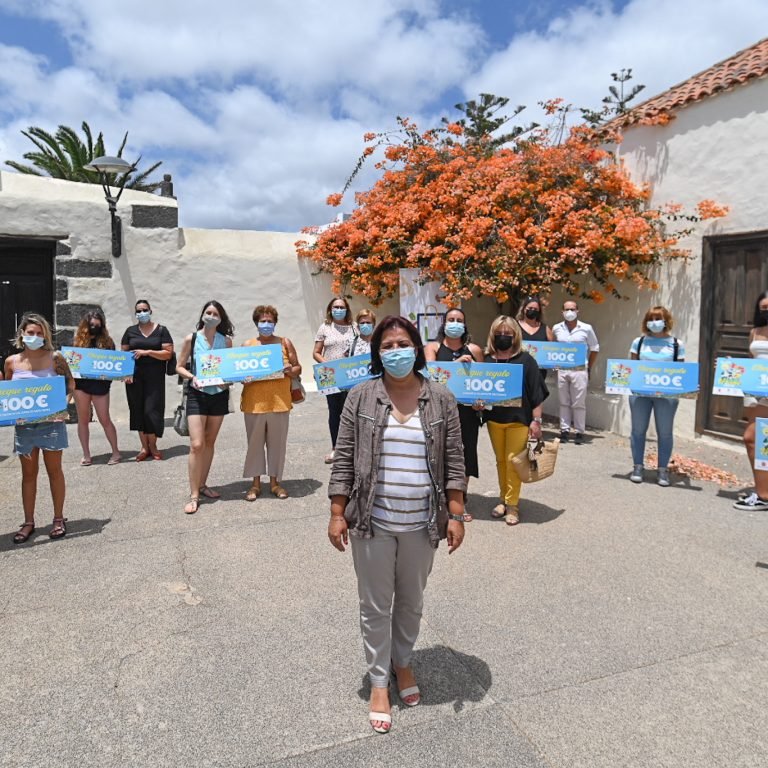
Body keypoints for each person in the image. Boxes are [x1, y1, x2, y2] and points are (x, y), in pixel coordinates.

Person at [328, 315, 466, 735]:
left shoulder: (440, 398)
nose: (395, 351)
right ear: (377, 352)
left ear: (416, 346)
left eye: (402, 343)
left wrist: (456, 514)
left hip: (423, 522)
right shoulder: (362, 396)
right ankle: (377, 682)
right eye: (387, 345)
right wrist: (337, 513)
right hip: (373, 521)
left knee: (410, 601)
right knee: (374, 605)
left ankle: (402, 663)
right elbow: (345, 455)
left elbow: (455, 460)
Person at [4, 313, 75, 543]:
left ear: (45, 335)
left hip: (51, 425)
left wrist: (65, 401)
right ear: (21, 334)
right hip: (24, 428)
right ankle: (28, 522)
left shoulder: (56, 358)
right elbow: (8, 392)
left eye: (38, 332)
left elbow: (70, 385)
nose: (34, 336)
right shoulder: (11, 362)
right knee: (28, 475)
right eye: (30, 333)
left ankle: (58, 518)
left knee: (55, 472)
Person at [484, 316, 547, 525]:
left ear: (515, 336)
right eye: (499, 333)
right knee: (501, 461)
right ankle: (502, 499)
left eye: (508, 334)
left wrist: (536, 421)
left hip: (519, 420)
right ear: (493, 335)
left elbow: (537, 394)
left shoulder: (526, 360)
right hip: (494, 420)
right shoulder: (487, 361)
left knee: (513, 462)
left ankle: (512, 505)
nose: (503, 337)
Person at [176, 301, 234, 514]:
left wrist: (228, 380)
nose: (211, 316)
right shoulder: (191, 339)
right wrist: (193, 377)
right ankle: (194, 495)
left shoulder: (226, 341)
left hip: (218, 395)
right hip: (197, 395)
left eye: (215, 313)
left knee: (210, 441)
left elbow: (229, 368)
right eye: (208, 312)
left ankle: (202, 484)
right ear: (202, 315)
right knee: (196, 444)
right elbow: (179, 366)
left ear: (221, 318)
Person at [425, 308, 483, 521]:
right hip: (439, 411)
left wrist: (481, 403)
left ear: (465, 325)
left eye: (459, 320)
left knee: (465, 456)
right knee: (439, 453)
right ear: (444, 323)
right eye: (451, 320)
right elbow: (430, 375)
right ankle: (441, 500)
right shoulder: (433, 347)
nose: (455, 323)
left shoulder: (475, 350)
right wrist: (455, 366)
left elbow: (482, 381)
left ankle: (460, 500)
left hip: (467, 413)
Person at [240, 305, 301, 502]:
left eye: (270, 321)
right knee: (254, 444)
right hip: (254, 402)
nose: (266, 324)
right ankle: (255, 484)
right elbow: (239, 372)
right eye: (262, 321)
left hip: (279, 401)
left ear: (275, 323)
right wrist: (244, 378)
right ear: (256, 323)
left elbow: (298, 368)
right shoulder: (247, 345)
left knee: (277, 444)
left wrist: (289, 369)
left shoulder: (284, 342)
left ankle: (275, 483)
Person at [628, 306, 685, 486]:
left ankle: (662, 470)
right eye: (650, 319)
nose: (654, 322)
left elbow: (681, 370)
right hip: (640, 393)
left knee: (665, 432)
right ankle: (638, 466)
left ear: (666, 320)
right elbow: (632, 366)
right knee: (638, 430)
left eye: (658, 318)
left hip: (667, 395)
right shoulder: (639, 342)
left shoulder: (676, 344)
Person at [121, 299, 174, 461]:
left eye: (145, 310)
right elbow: (123, 356)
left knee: (152, 411)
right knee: (137, 411)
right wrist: (126, 374)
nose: (142, 313)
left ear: (150, 311)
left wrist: (148, 352)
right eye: (138, 311)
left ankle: (153, 446)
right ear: (135, 314)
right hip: (134, 378)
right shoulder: (130, 331)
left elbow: (168, 353)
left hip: (154, 377)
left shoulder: (162, 330)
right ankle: (144, 447)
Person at [72, 309, 121, 466]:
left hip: (100, 386)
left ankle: (116, 452)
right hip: (81, 386)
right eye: (92, 324)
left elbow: (113, 364)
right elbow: (72, 363)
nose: (95, 327)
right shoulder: (77, 341)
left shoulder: (107, 342)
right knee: (83, 420)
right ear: (86, 325)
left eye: (98, 324)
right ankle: (86, 455)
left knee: (105, 419)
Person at [734, 291, 768, 510]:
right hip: (757, 392)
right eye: (763, 307)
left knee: (756, 439)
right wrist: (731, 368)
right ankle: (763, 492)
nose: (766, 311)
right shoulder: (754, 332)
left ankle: (764, 495)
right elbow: (751, 361)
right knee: (754, 439)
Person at [313, 296, 356, 463]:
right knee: (334, 411)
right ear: (330, 309)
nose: (338, 310)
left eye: (341, 307)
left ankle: (351, 448)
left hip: (351, 376)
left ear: (347, 309)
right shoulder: (325, 327)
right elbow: (316, 352)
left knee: (350, 411)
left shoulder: (354, 328)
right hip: (330, 376)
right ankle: (335, 448)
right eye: (335, 307)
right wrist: (329, 365)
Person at [552, 299, 600, 444]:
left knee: (579, 402)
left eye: (572, 309)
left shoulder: (586, 328)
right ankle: (564, 430)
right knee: (564, 401)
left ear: (578, 311)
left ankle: (579, 431)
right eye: (567, 309)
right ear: (562, 312)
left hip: (580, 369)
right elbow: (553, 348)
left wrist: (589, 367)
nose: (570, 312)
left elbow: (595, 348)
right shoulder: (556, 328)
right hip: (562, 369)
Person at [518, 296, 554, 383]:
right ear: (524, 309)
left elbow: (553, 349)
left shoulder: (545, 328)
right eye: (530, 308)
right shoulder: (514, 326)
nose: (532, 310)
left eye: (535, 309)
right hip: (519, 371)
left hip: (539, 373)